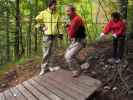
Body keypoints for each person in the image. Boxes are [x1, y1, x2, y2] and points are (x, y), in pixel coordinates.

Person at [35, 0, 63, 75]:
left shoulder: (57, 13)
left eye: (56, 5)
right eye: (54, 5)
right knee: (46, 53)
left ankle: (51, 66)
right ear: (50, 5)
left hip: (54, 35)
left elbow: (59, 24)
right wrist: (42, 27)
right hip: (46, 35)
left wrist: (60, 33)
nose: (55, 6)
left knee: (53, 52)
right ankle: (43, 68)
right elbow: (37, 19)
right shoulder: (44, 12)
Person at [64, 5, 86, 77]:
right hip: (76, 40)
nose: (67, 13)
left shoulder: (76, 19)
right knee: (68, 54)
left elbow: (71, 33)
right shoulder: (73, 18)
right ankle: (83, 63)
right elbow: (72, 30)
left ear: (73, 11)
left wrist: (67, 27)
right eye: (66, 11)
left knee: (68, 56)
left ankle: (77, 70)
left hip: (80, 41)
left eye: (68, 11)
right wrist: (68, 26)